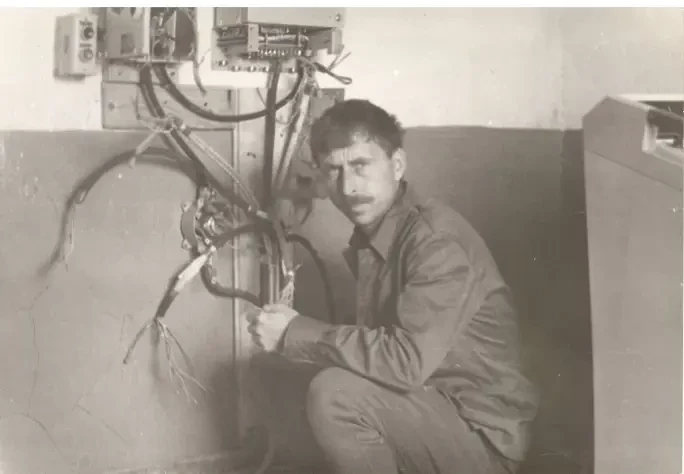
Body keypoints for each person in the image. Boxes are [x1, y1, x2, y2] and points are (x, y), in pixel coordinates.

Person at [246, 99, 539, 474]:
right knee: (276, 369)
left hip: (480, 437)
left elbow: (405, 362)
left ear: (397, 165)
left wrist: (294, 331)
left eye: (361, 166)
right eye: (334, 171)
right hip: (428, 406)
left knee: (335, 396)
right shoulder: (380, 235)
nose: (349, 187)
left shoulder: (436, 243)